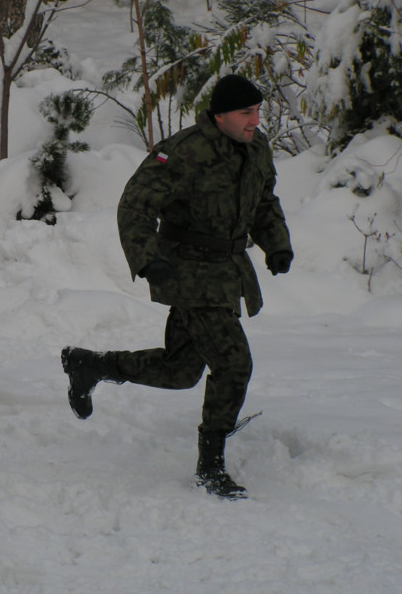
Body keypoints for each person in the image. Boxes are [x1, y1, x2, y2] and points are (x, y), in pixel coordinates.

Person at [60, 74, 293, 500]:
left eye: (258, 111)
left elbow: (264, 201)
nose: (255, 121)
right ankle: (210, 466)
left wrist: (276, 244)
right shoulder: (182, 151)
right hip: (188, 272)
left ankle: (91, 365)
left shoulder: (256, 148)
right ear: (220, 115)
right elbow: (135, 203)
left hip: (228, 271)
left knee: (180, 370)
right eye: (247, 113)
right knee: (233, 363)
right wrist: (148, 260)